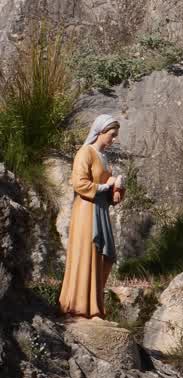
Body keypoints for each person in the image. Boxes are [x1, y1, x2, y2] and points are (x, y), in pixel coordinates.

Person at [59, 115, 124, 319]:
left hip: (101, 211)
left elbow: (112, 198)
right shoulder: (85, 152)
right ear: (100, 132)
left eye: (115, 136)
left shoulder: (105, 159)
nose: (114, 139)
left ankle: (94, 306)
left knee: (105, 257)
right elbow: (79, 183)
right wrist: (106, 185)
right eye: (112, 135)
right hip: (86, 211)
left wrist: (118, 188)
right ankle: (78, 307)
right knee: (87, 254)